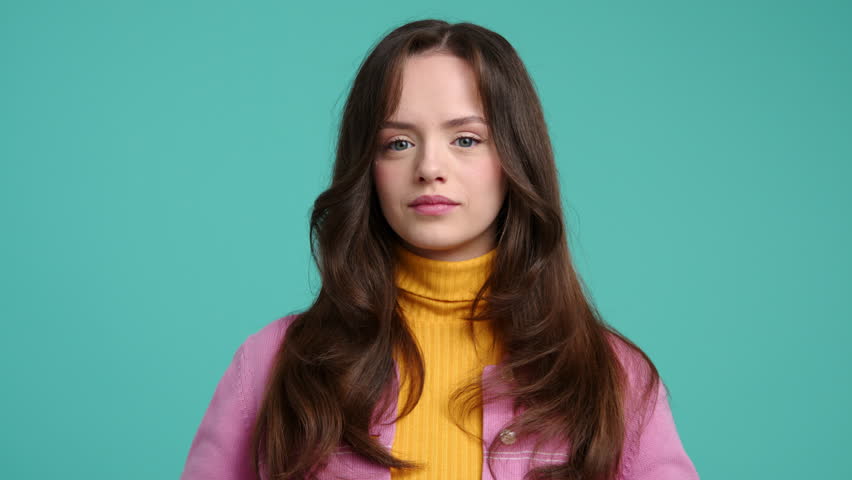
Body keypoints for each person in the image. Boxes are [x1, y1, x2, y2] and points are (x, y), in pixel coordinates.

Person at [180, 19, 700, 480]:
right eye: (398, 143)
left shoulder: (613, 376)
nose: (430, 166)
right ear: (369, 167)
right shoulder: (272, 362)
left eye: (467, 139)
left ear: (515, 158)